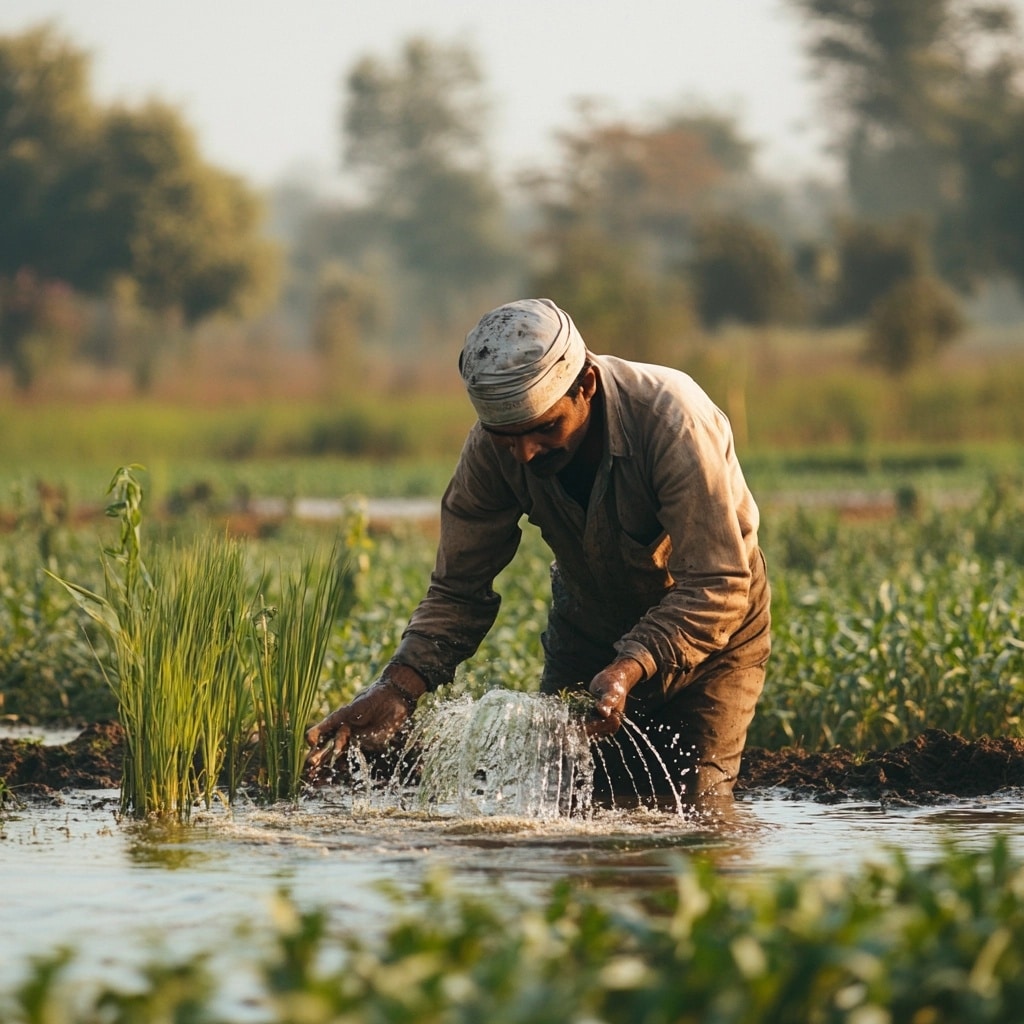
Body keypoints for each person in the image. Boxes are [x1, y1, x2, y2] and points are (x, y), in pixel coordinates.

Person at [305, 298, 771, 807]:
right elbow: (459, 589)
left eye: (546, 428)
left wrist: (631, 666)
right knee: (564, 805)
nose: (526, 453)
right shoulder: (491, 451)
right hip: (589, 630)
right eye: (507, 439)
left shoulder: (670, 421)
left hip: (713, 638)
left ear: (586, 386)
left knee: (695, 809)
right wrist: (398, 688)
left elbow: (718, 585)